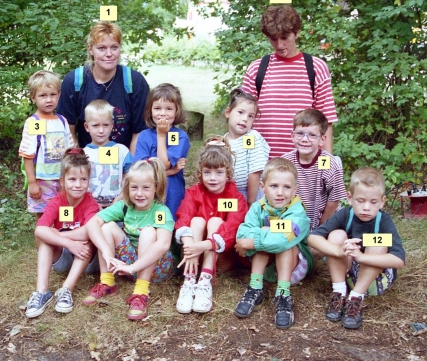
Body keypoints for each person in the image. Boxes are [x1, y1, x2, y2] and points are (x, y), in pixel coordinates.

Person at [307, 167, 405, 330]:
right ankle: (338, 292)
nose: (366, 207)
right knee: (336, 235)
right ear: (350, 198)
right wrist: (337, 250)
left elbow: (399, 260)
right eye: (361, 201)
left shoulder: (384, 221)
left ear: (382, 201)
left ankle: (355, 298)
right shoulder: (346, 214)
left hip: (374, 281)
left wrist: (362, 257)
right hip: (347, 275)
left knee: (377, 241)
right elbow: (312, 237)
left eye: (373, 202)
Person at [83, 158, 175, 321]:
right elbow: (92, 223)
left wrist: (133, 267)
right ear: (127, 188)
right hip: (129, 266)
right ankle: (107, 283)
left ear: (156, 188)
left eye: (146, 188)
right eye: (134, 188)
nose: (139, 194)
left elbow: (163, 244)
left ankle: (140, 292)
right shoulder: (124, 206)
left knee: (148, 232)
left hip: (157, 267)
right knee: (106, 227)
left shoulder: (160, 211)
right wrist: (104, 249)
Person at [241, 5, 338, 158]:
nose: (279, 45)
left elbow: (326, 121)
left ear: (297, 33)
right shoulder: (257, 69)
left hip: (304, 166)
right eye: (273, 39)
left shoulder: (315, 68)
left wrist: (325, 167)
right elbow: (243, 119)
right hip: (262, 165)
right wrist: (246, 159)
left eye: (285, 38)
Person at [233, 158, 313, 329]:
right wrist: (258, 235)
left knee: (282, 243)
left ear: (295, 190)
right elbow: (243, 232)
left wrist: (254, 238)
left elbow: (282, 240)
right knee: (265, 238)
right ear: (263, 187)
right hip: (268, 268)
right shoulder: (257, 207)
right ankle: (255, 287)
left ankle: (283, 294)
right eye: (274, 186)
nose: (280, 193)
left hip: (294, 268)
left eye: (287, 187)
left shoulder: (297, 211)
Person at [174, 136, 248, 314]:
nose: (212, 178)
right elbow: (183, 216)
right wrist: (190, 244)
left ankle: (205, 281)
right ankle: (190, 280)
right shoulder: (194, 192)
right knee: (196, 220)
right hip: (192, 253)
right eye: (207, 172)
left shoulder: (234, 197)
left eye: (219, 172)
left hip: (219, 255)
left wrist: (204, 245)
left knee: (215, 221)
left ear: (228, 173)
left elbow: (233, 226)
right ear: (200, 173)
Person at [25, 149, 100, 318]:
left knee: (84, 240)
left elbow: (89, 232)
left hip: (85, 258)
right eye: (72, 179)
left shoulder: (91, 204)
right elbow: (39, 230)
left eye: (83, 180)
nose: (78, 185)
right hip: (63, 256)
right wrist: (68, 243)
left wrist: (57, 234)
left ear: (89, 182)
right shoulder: (57, 201)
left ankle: (66, 289)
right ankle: (41, 291)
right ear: (62, 181)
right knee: (44, 237)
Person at [57, 21, 150, 153]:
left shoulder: (134, 81)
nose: (109, 54)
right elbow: (68, 132)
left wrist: (130, 168)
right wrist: (79, 165)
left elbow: (139, 131)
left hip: (124, 158)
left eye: (114, 47)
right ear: (91, 49)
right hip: (85, 159)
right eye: (101, 48)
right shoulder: (73, 81)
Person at [19, 70, 75, 215]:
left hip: (63, 179)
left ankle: (64, 237)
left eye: (52, 95)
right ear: (33, 97)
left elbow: (70, 152)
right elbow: (28, 155)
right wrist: (32, 183)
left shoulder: (62, 121)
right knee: (44, 217)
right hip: (43, 181)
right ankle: (44, 238)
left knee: (65, 214)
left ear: (59, 95)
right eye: (43, 95)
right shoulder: (35, 122)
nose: (48, 100)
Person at [281, 109, 347, 230]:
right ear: (292, 136)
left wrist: (322, 225)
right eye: (300, 133)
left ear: (322, 139)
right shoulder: (286, 162)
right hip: (293, 220)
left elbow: (334, 197)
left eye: (312, 135)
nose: (305, 139)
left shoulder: (327, 163)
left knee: (334, 239)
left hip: (327, 219)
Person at [134, 83, 190, 219]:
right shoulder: (144, 136)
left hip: (171, 192)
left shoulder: (179, 135)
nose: (163, 113)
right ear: (150, 110)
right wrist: (172, 171)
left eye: (169, 109)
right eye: (157, 108)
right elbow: (142, 170)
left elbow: (163, 164)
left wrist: (161, 135)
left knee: (169, 224)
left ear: (177, 111)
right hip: (148, 191)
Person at [82, 100, 133, 208]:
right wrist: (91, 203)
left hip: (118, 205)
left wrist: (121, 197)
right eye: (95, 125)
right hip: (90, 207)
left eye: (105, 125)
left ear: (111, 125)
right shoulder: (82, 154)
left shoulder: (122, 151)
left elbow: (131, 178)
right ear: (87, 127)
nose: (101, 130)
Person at [223, 88, 270, 205]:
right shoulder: (222, 141)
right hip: (228, 194)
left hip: (250, 194)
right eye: (240, 112)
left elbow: (254, 172)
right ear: (228, 113)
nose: (245, 119)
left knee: (249, 222)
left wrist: (250, 202)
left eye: (251, 116)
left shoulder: (250, 137)